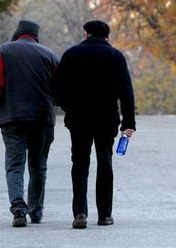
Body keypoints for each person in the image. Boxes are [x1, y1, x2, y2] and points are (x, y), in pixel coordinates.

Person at [54, 20, 136, 229]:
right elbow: (126, 90)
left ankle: (80, 213)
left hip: (79, 118)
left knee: (80, 164)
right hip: (106, 118)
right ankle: (104, 215)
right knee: (105, 163)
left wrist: (68, 107)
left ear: (86, 34)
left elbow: (57, 88)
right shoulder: (116, 56)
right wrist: (129, 122)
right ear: (107, 36)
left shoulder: (72, 54)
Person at [0, 20, 59, 227]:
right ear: (36, 35)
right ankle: (36, 212)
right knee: (38, 166)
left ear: (17, 33)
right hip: (42, 119)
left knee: (15, 165)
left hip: (13, 118)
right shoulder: (49, 55)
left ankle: (18, 210)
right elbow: (58, 89)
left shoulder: (4, 51)